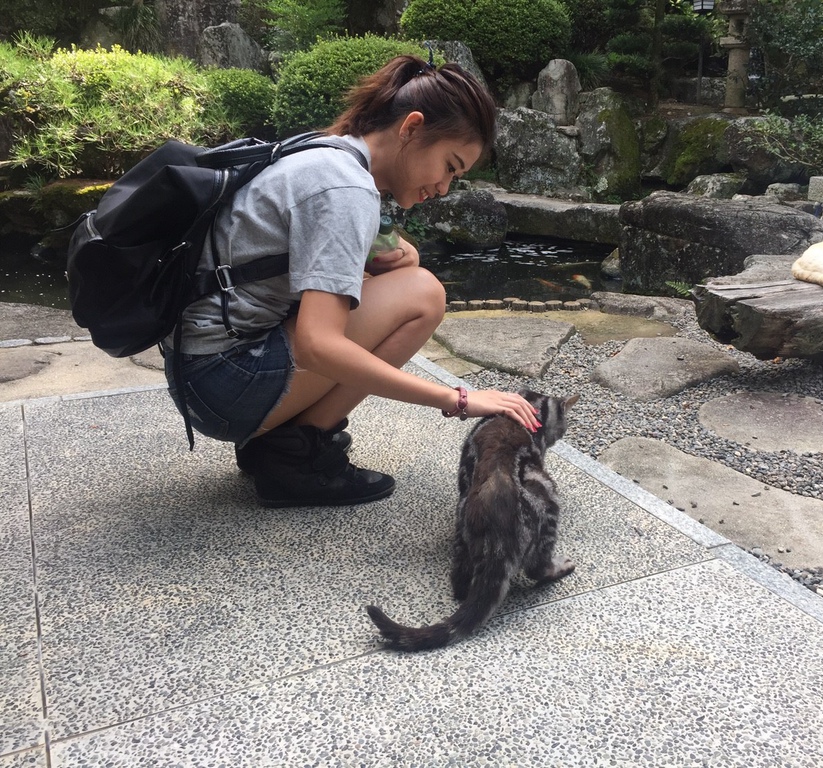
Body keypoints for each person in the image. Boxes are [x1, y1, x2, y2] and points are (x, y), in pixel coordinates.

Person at [164, 53, 541, 508]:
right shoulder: (347, 188)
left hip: (197, 373)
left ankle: (278, 441)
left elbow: (358, 252)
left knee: (410, 278)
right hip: (225, 384)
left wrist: (395, 255)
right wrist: (458, 398)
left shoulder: (325, 152)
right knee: (424, 295)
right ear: (412, 127)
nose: (444, 188)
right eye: (449, 165)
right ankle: (293, 456)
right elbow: (317, 345)